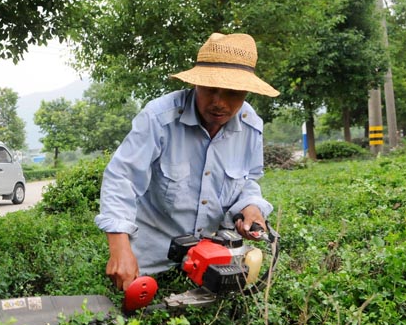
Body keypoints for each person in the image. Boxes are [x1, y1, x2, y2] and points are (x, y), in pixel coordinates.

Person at [95, 32, 279, 291]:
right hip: (150, 261)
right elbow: (121, 178)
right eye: (210, 89)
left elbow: (247, 182)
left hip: (213, 260)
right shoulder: (159, 118)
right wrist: (119, 248)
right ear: (196, 84)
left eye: (232, 93)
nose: (219, 102)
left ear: (247, 92)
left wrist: (250, 207)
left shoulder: (251, 127)